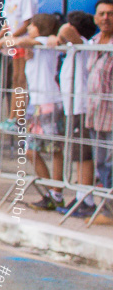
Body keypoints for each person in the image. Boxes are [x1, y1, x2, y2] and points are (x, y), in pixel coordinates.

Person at [3, 14, 64, 210]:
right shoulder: (34, 48)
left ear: (40, 28)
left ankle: (57, 193)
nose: (28, 29)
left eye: (31, 26)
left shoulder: (45, 42)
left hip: (49, 102)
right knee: (30, 150)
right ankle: (50, 191)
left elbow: (25, 40)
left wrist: (18, 40)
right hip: (36, 104)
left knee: (54, 150)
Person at [46, 11, 103, 219]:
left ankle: (85, 198)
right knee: (77, 152)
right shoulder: (73, 47)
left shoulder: (84, 44)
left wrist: (61, 34)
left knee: (83, 153)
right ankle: (81, 194)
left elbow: (65, 30)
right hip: (72, 106)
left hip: (81, 106)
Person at [0, 0, 39, 129]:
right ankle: (11, 116)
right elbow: (8, 21)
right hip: (12, 42)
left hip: (22, 43)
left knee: (21, 79)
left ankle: (18, 117)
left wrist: (11, 38)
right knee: (15, 79)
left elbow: (27, 23)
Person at [85, 0, 113, 193]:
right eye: (102, 14)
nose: (106, 18)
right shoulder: (92, 43)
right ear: (95, 18)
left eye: (110, 14)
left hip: (111, 115)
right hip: (95, 114)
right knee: (101, 163)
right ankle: (107, 206)